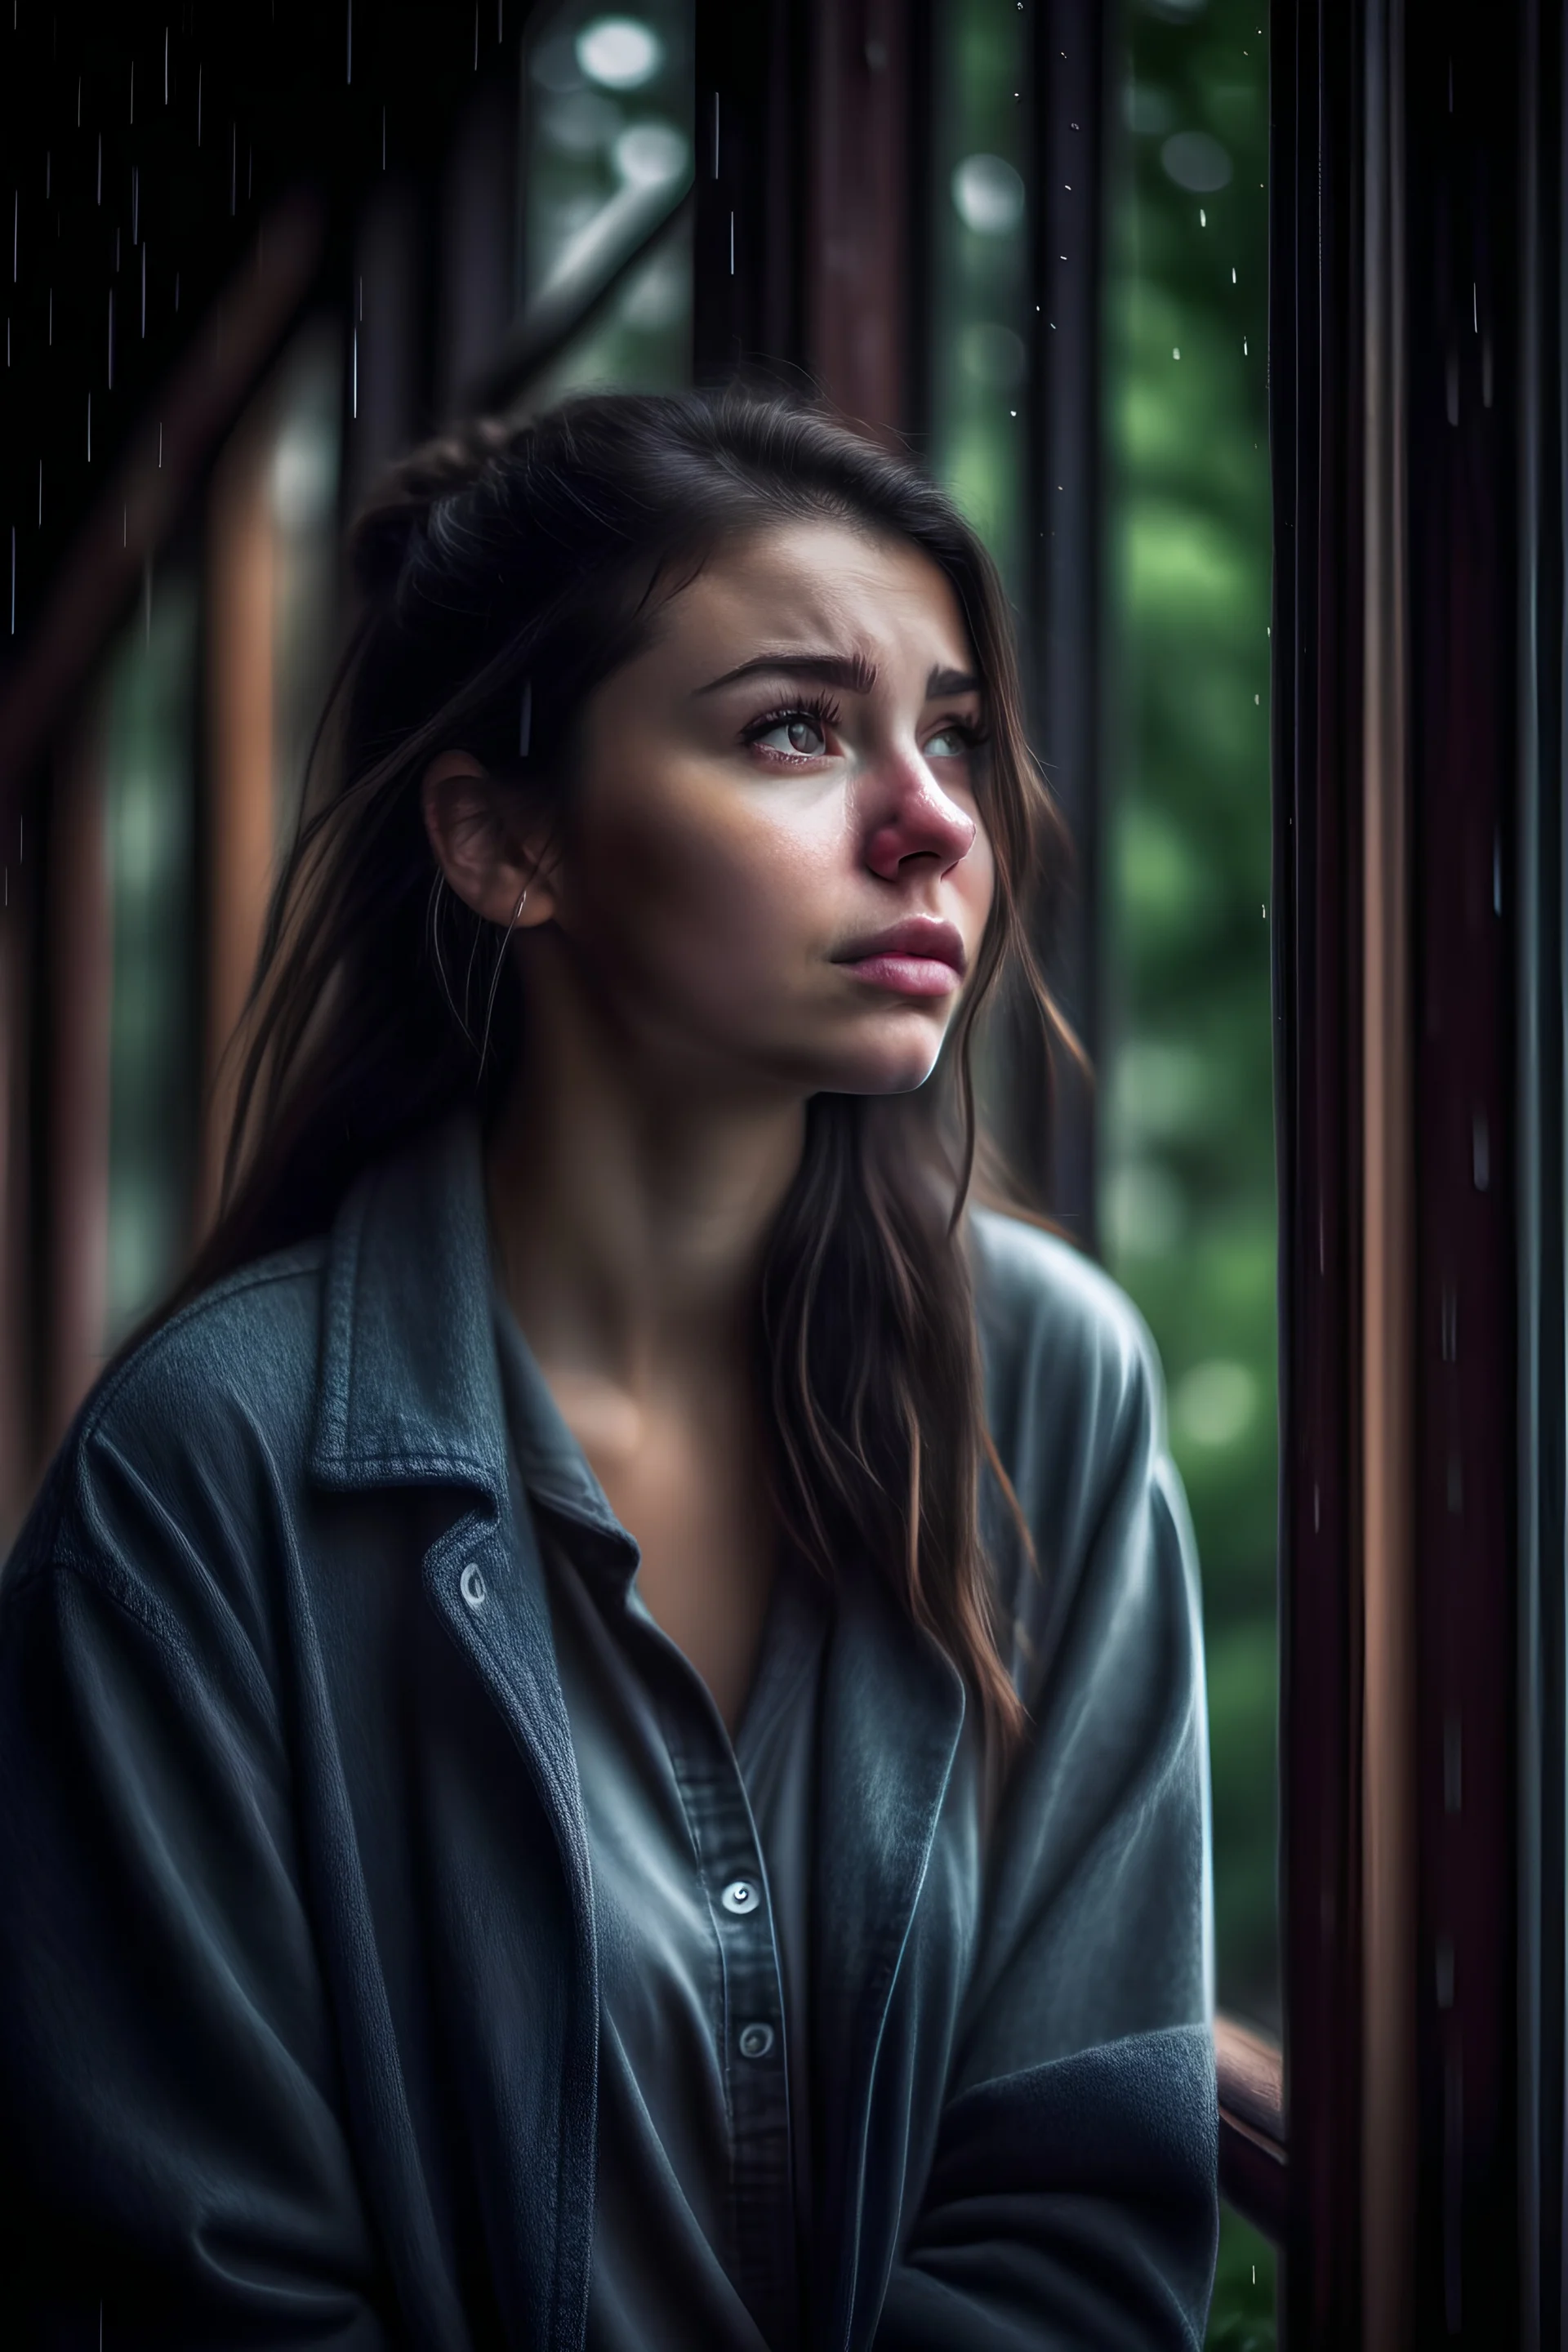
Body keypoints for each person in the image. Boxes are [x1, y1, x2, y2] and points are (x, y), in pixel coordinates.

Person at [0, 386, 1218, 2349]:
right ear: (503, 845)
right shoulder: (201, 1477)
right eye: (796, 730)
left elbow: (1078, 2223)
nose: (934, 820)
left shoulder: (1047, 1391)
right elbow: (191, 2286)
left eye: (958, 734)